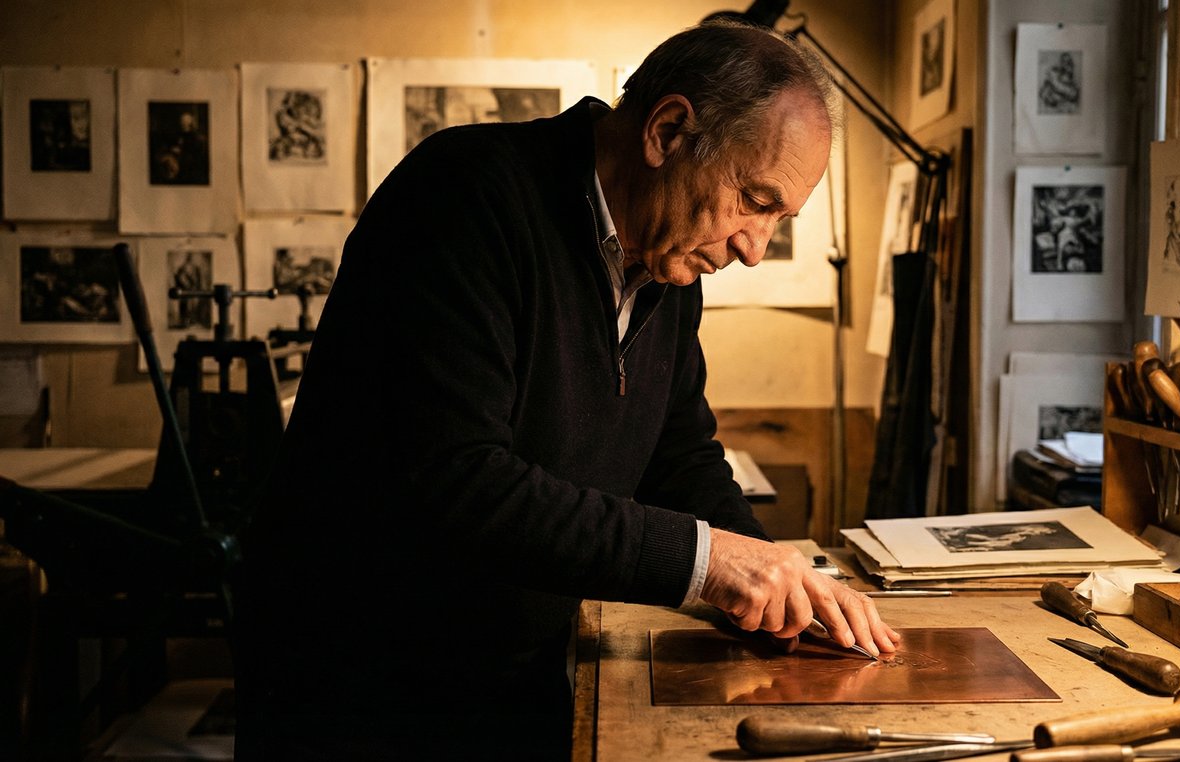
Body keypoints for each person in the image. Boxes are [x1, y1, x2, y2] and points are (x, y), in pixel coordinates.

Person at [234, 20, 899, 761]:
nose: (753, 249)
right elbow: (457, 478)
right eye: (754, 200)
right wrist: (710, 562)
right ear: (667, 132)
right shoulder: (463, 196)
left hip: (516, 671)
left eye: (779, 218)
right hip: (362, 685)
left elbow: (679, 454)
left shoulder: (668, 257)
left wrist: (779, 584)